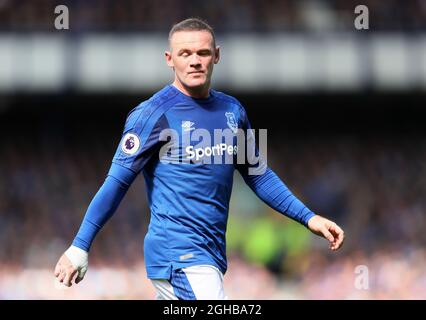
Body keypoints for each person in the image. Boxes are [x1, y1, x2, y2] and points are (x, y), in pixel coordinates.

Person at [54, 18, 344, 300]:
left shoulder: (233, 111)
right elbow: (116, 183)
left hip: (211, 254)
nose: (195, 61)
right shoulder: (151, 114)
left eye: (203, 52)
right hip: (178, 253)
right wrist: (80, 245)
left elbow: (258, 174)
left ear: (216, 56)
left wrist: (309, 218)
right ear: (169, 59)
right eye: (185, 53)